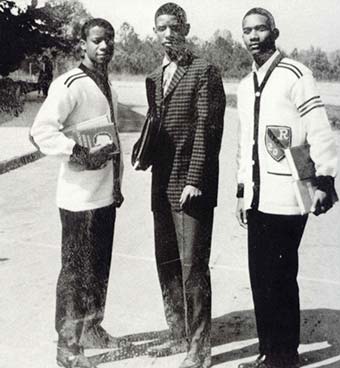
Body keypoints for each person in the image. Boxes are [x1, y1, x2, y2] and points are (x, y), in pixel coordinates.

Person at [236, 8, 338, 368]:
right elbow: (244, 143)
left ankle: (284, 356)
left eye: (260, 29)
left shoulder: (297, 74)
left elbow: (319, 128)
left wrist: (325, 179)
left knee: (280, 277)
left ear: (274, 32)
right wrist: (240, 191)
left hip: (288, 197)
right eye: (247, 30)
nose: (252, 36)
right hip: (257, 198)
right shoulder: (245, 84)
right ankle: (269, 353)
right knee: (260, 279)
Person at [30, 18, 125, 368]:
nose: (104, 46)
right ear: (82, 44)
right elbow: (40, 132)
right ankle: (67, 347)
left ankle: (91, 329)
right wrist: (77, 152)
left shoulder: (108, 86)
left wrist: (117, 186)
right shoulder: (69, 83)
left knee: (99, 269)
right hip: (78, 198)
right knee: (75, 274)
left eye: (109, 40)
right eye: (97, 40)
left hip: (104, 195)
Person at [145, 3, 225, 368]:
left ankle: (200, 348)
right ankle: (177, 333)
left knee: (193, 266)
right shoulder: (155, 76)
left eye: (174, 27)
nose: (167, 34)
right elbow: (156, 127)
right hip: (160, 186)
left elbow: (208, 132)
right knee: (167, 263)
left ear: (186, 28)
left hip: (190, 186)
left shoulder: (204, 71)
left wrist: (195, 179)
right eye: (161, 28)